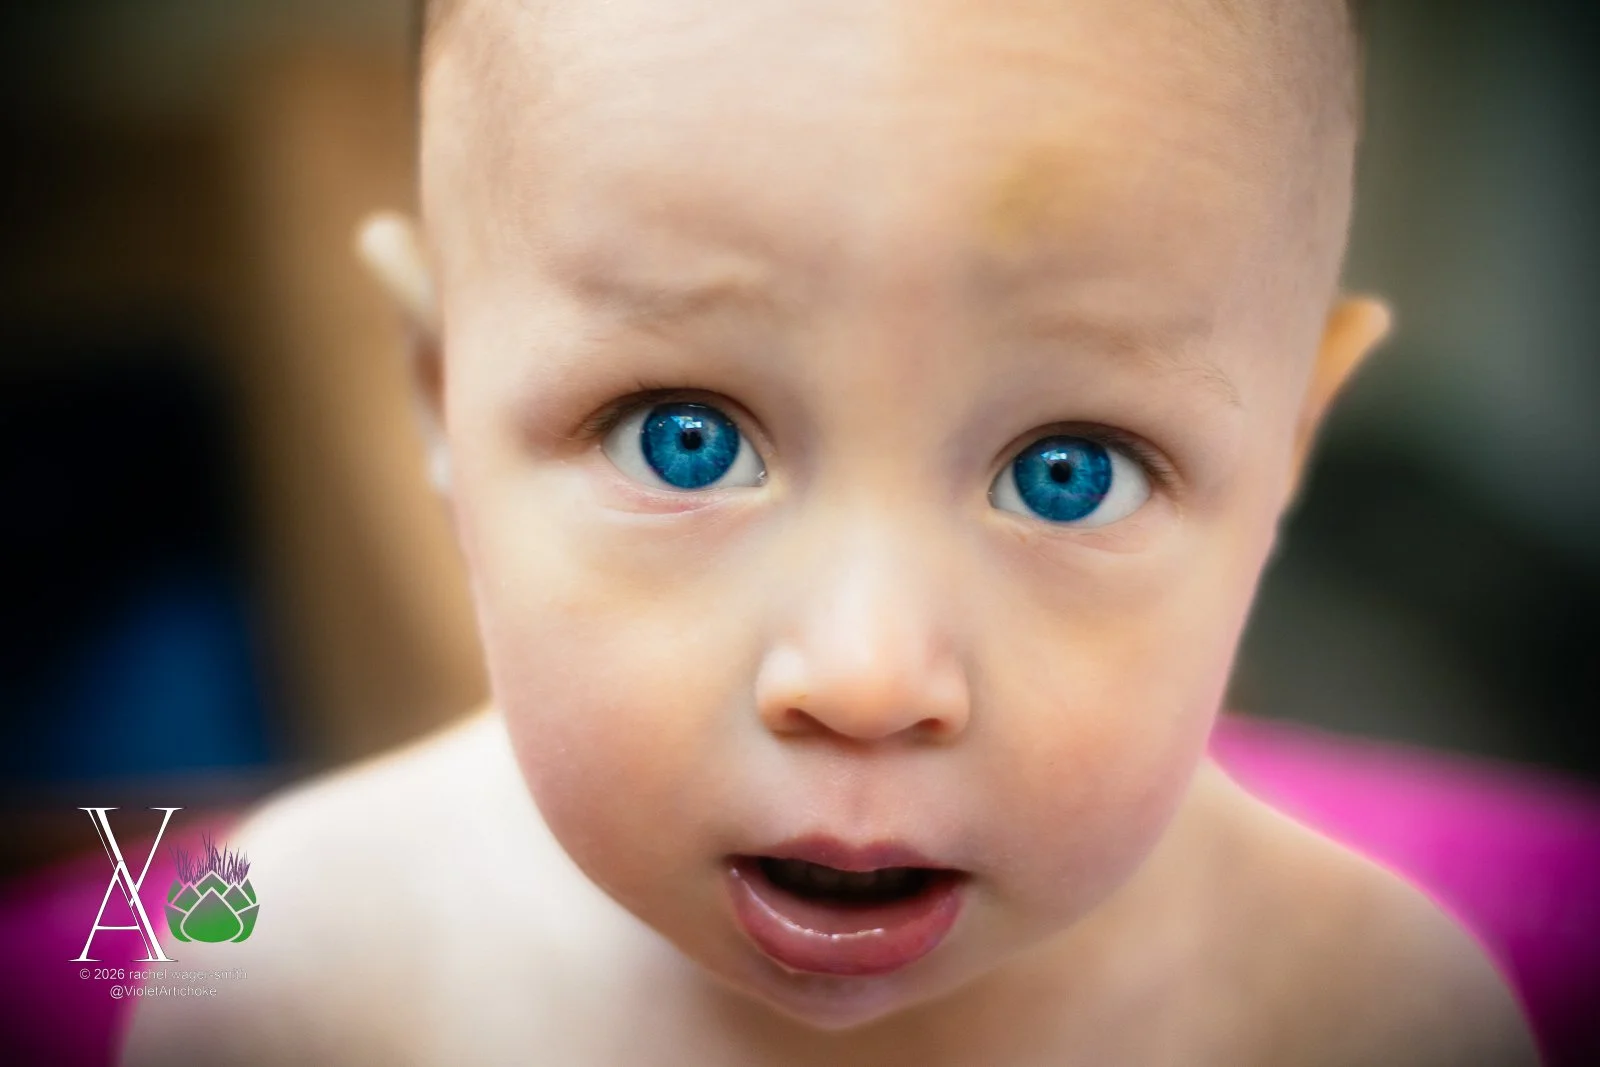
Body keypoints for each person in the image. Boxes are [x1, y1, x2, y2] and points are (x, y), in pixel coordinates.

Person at [122, 0, 1541, 1062]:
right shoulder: (285, 981)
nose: (867, 674)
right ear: (439, 390)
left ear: (1289, 445)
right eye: (684, 435)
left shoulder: (1373, 1016)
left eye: (1071, 471)